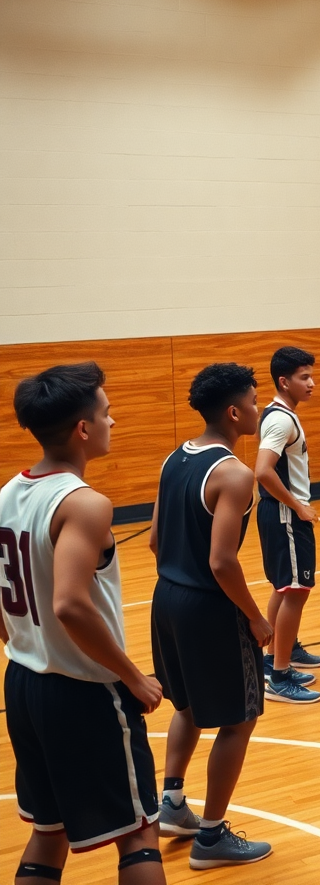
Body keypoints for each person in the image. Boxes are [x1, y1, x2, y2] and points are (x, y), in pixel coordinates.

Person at [0, 362, 167, 885]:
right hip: (83, 691)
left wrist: (16, 638)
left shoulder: (7, 493)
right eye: (108, 413)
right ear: (83, 429)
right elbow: (70, 604)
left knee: (49, 830)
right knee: (140, 832)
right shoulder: (86, 504)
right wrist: (133, 677)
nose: (113, 422)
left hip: (24, 685)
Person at [150, 363, 275, 869]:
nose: (258, 407)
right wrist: (256, 618)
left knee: (187, 706)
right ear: (232, 411)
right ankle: (210, 838)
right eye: (253, 400)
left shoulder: (174, 458)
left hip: (167, 599)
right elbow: (222, 561)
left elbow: (157, 540)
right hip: (208, 608)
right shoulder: (234, 475)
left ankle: (172, 804)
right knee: (240, 719)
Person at [255, 347, 320, 704]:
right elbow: (262, 470)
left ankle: (275, 659)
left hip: (278, 515)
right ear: (284, 382)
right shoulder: (281, 420)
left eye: (311, 375)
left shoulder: (279, 415)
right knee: (296, 591)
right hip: (285, 516)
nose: (311, 383)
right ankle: (279, 679)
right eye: (304, 377)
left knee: (284, 589)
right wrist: (298, 506)